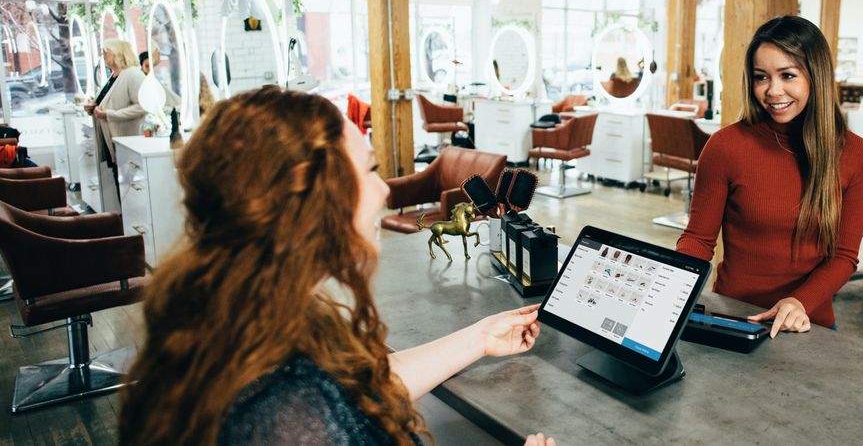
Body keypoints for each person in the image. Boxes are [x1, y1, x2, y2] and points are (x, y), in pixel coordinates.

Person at [119, 87, 554, 446]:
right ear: (315, 202)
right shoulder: (289, 414)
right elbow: (325, 404)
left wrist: (478, 338)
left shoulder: (237, 316)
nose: (384, 190)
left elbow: (358, 388)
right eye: (369, 170)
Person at [677, 16, 863, 336]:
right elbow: (698, 240)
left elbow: (844, 256)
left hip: (808, 323)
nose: (772, 90)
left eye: (787, 75)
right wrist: (669, 288)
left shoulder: (856, 154)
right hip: (734, 317)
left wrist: (799, 302)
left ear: (816, 77)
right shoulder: (726, 146)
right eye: (761, 77)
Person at [92, 39, 145, 170]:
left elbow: (142, 106)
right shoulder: (114, 75)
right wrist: (93, 107)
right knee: (117, 177)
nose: (103, 56)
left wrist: (110, 114)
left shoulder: (133, 74)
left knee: (125, 180)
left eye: (106, 52)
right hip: (111, 136)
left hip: (126, 138)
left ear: (118, 53)